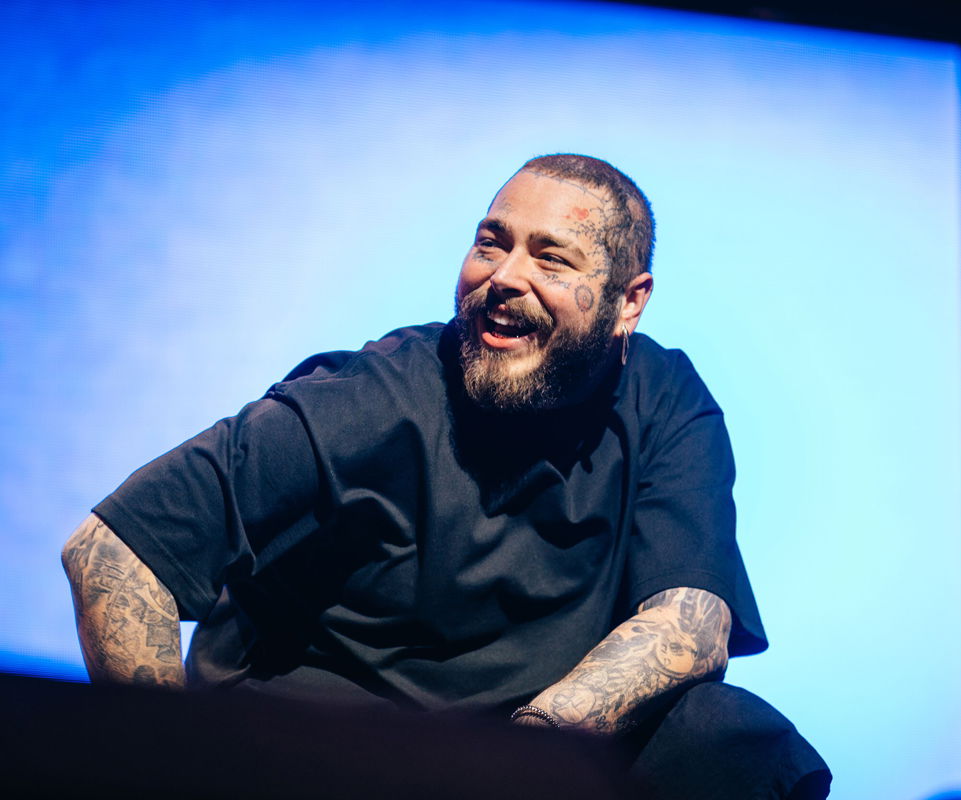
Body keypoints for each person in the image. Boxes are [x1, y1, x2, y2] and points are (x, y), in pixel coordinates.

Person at [62, 154, 830, 798]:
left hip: (514, 758)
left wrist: (525, 755)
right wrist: (167, 769)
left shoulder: (664, 400)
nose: (503, 276)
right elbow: (111, 551)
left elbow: (691, 622)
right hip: (318, 752)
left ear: (630, 302)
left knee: (731, 739)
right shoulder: (371, 398)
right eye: (491, 244)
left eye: (550, 256)